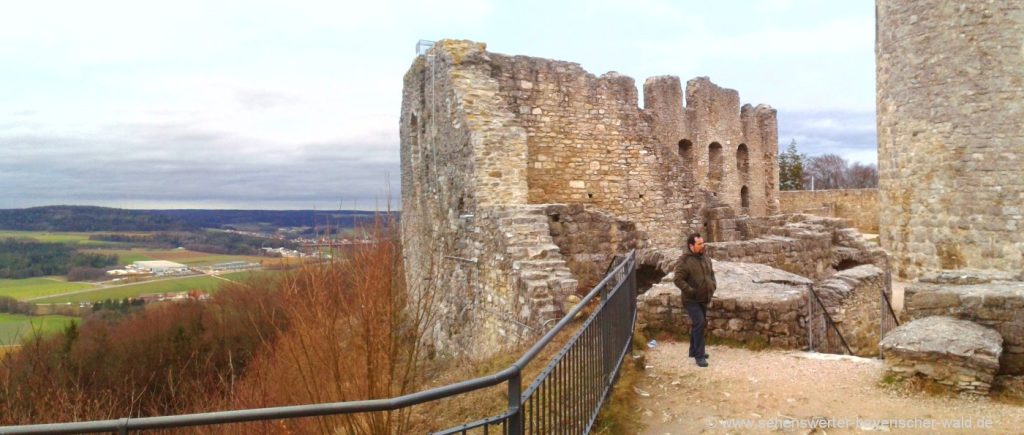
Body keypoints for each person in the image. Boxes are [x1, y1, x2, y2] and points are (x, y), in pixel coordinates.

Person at [673, 233, 716, 367]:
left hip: (704, 297)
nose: (702, 246)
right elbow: (677, 279)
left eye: (702, 243)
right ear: (691, 246)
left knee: (699, 324)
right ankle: (699, 356)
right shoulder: (684, 261)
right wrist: (690, 290)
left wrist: (713, 284)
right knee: (699, 323)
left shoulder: (705, 257)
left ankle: (693, 350)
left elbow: (711, 273)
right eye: (699, 244)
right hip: (691, 300)